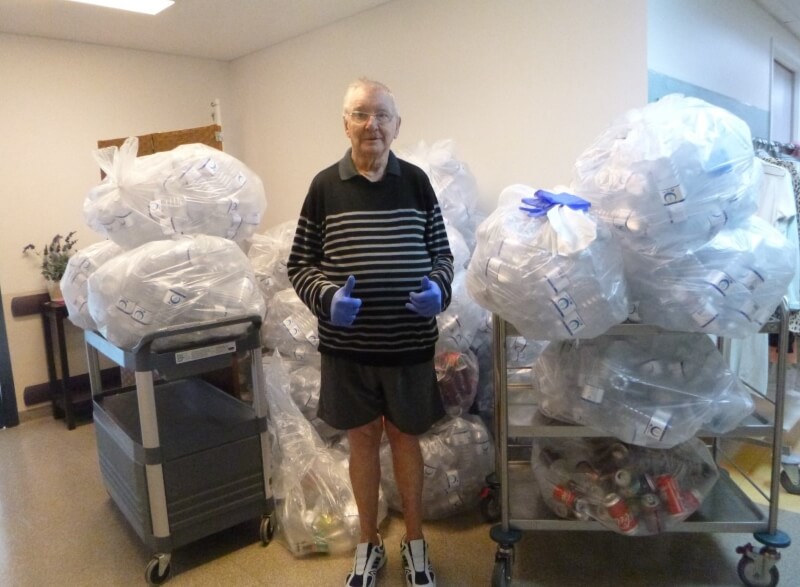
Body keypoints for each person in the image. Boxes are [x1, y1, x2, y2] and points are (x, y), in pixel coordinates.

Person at [287, 78, 454, 587]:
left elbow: (444, 255)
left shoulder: (418, 183)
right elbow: (300, 264)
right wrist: (326, 299)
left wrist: (438, 293)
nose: (371, 125)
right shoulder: (324, 187)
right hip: (348, 349)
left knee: (406, 439)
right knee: (362, 441)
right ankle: (368, 543)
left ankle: (416, 541)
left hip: (408, 345)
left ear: (397, 126)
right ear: (345, 124)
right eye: (360, 114)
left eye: (381, 115)